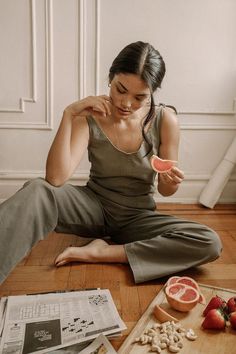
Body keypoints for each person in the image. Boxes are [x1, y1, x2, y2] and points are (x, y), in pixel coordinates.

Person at [0, 41, 222, 285]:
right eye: (120, 89)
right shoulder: (91, 116)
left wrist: (171, 181)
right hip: (92, 207)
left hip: (138, 217)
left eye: (140, 97)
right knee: (37, 190)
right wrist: (68, 115)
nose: (126, 103)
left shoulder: (165, 119)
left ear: (153, 92)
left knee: (209, 241)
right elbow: (56, 178)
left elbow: (166, 191)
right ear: (110, 78)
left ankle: (106, 252)